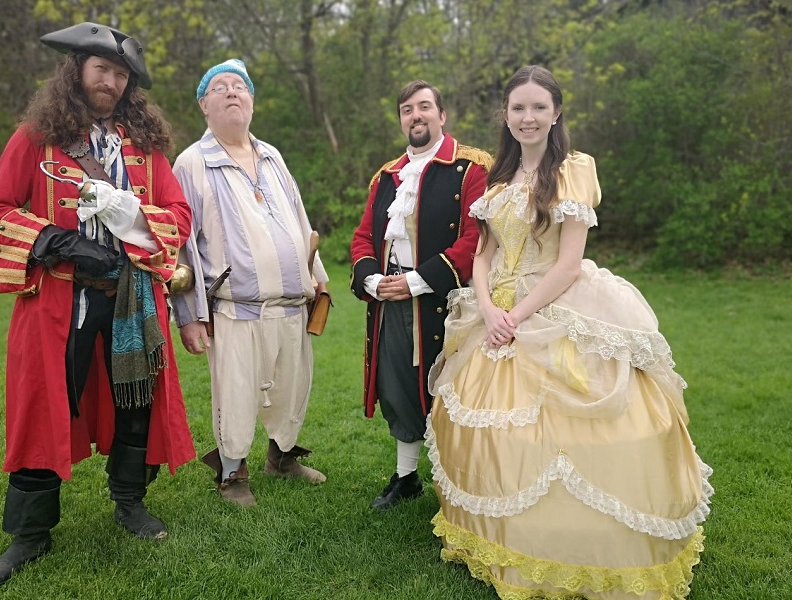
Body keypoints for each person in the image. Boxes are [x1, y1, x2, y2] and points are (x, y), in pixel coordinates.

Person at [425, 65, 713, 599]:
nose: (528, 117)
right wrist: (488, 310)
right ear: (505, 117)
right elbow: (484, 253)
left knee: (576, 426)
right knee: (482, 423)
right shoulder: (496, 178)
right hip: (495, 310)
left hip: (552, 299)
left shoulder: (574, 170)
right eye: (518, 108)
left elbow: (569, 264)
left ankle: (582, 545)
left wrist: (519, 316)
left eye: (538, 107)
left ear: (556, 113)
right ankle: (501, 536)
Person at [0, 22, 196, 585]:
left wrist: (133, 224)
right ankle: (30, 535)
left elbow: (179, 215)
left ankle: (130, 503)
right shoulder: (36, 137)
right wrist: (59, 242)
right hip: (59, 300)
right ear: (76, 70)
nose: (110, 80)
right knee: (42, 407)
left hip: (131, 298)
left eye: (120, 73)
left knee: (135, 398)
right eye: (101, 68)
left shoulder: (144, 149)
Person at [171, 59, 328, 507]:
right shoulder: (193, 162)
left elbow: (300, 219)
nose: (231, 92)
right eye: (219, 87)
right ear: (205, 104)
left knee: (292, 386)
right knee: (237, 393)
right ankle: (231, 473)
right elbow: (181, 244)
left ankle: (280, 457)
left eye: (240, 86)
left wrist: (318, 282)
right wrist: (188, 316)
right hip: (234, 307)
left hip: (292, 304)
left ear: (252, 101)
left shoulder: (272, 155)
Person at [350, 80, 491, 511]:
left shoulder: (470, 168)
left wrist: (416, 281)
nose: (416, 115)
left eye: (424, 107)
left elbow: (476, 240)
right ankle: (407, 477)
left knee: (454, 391)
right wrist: (374, 281)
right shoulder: (387, 176)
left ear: (442, 115)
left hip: (447, 299)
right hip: (391, 298)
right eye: (407, 109)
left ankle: (461, 481)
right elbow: (362, 239)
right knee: (397, 386)